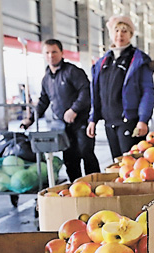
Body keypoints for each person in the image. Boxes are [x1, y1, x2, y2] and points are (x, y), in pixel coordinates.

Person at [22, 38, 100, 181]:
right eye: (47, 53)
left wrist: (74, 109)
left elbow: (86, 91)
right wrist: (30, 119)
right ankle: (75, 188)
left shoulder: (73, 71)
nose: (51, 56)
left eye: (54, 52)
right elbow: (43, 101)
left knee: (86, 153)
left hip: (81, 122)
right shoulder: (46, 78)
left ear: (62, 53)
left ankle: (96, 186)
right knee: (70, 158)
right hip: (62, 127)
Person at [87, 15, 154, 160]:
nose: (120, 35)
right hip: (109, 122)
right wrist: (92, 119)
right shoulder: (103, 62)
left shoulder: (139, 60)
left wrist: (143, 119)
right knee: (116, 163)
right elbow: (96, 91)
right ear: (111, 34)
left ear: (131, 34)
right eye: (116, 30)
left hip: (129, 122)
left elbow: (148, 92)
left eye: (124, 31)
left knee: (131, 165)